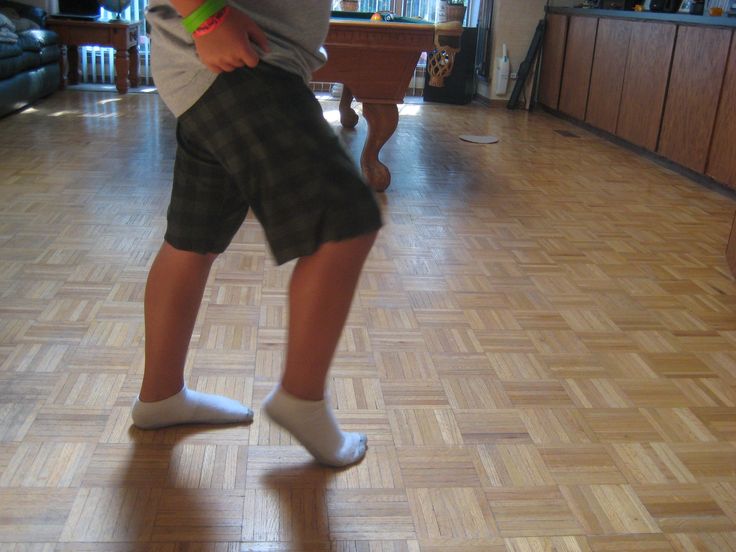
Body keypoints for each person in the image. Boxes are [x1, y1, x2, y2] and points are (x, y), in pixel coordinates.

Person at [130, 0, 382, 468]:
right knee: (345, 221)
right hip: (235, 57)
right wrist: (205, 15)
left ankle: (160, 396)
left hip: (226, 61)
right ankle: (302, 400)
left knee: (192, 238)